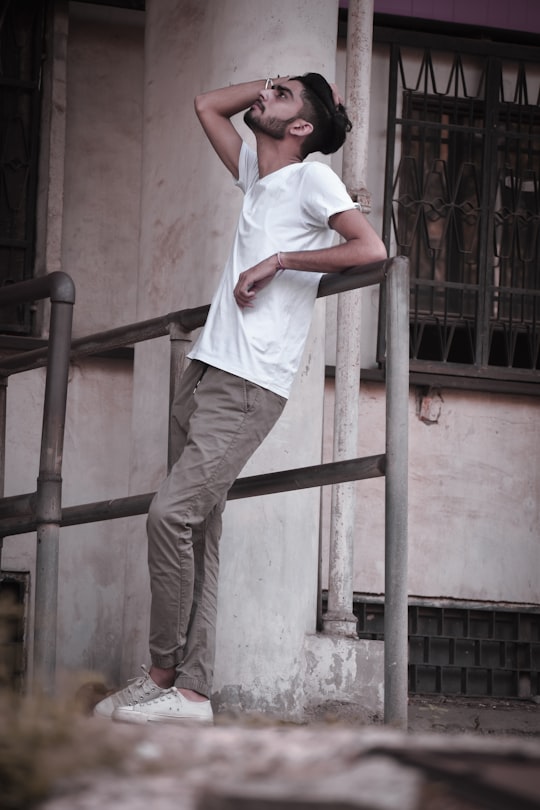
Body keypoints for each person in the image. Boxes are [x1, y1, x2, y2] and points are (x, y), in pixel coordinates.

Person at [94, 72, 387, 725]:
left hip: (249, 381)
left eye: (280, 98)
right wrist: (282, 81)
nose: (263, 97)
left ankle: (165, 674)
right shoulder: (261, 174)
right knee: (200, 531)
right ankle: (191, 692)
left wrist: (280, 260)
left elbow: (371, 248)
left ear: (303, 128)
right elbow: (204, 103)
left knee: (170, 517)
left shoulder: (312, 179)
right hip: (207, 370)